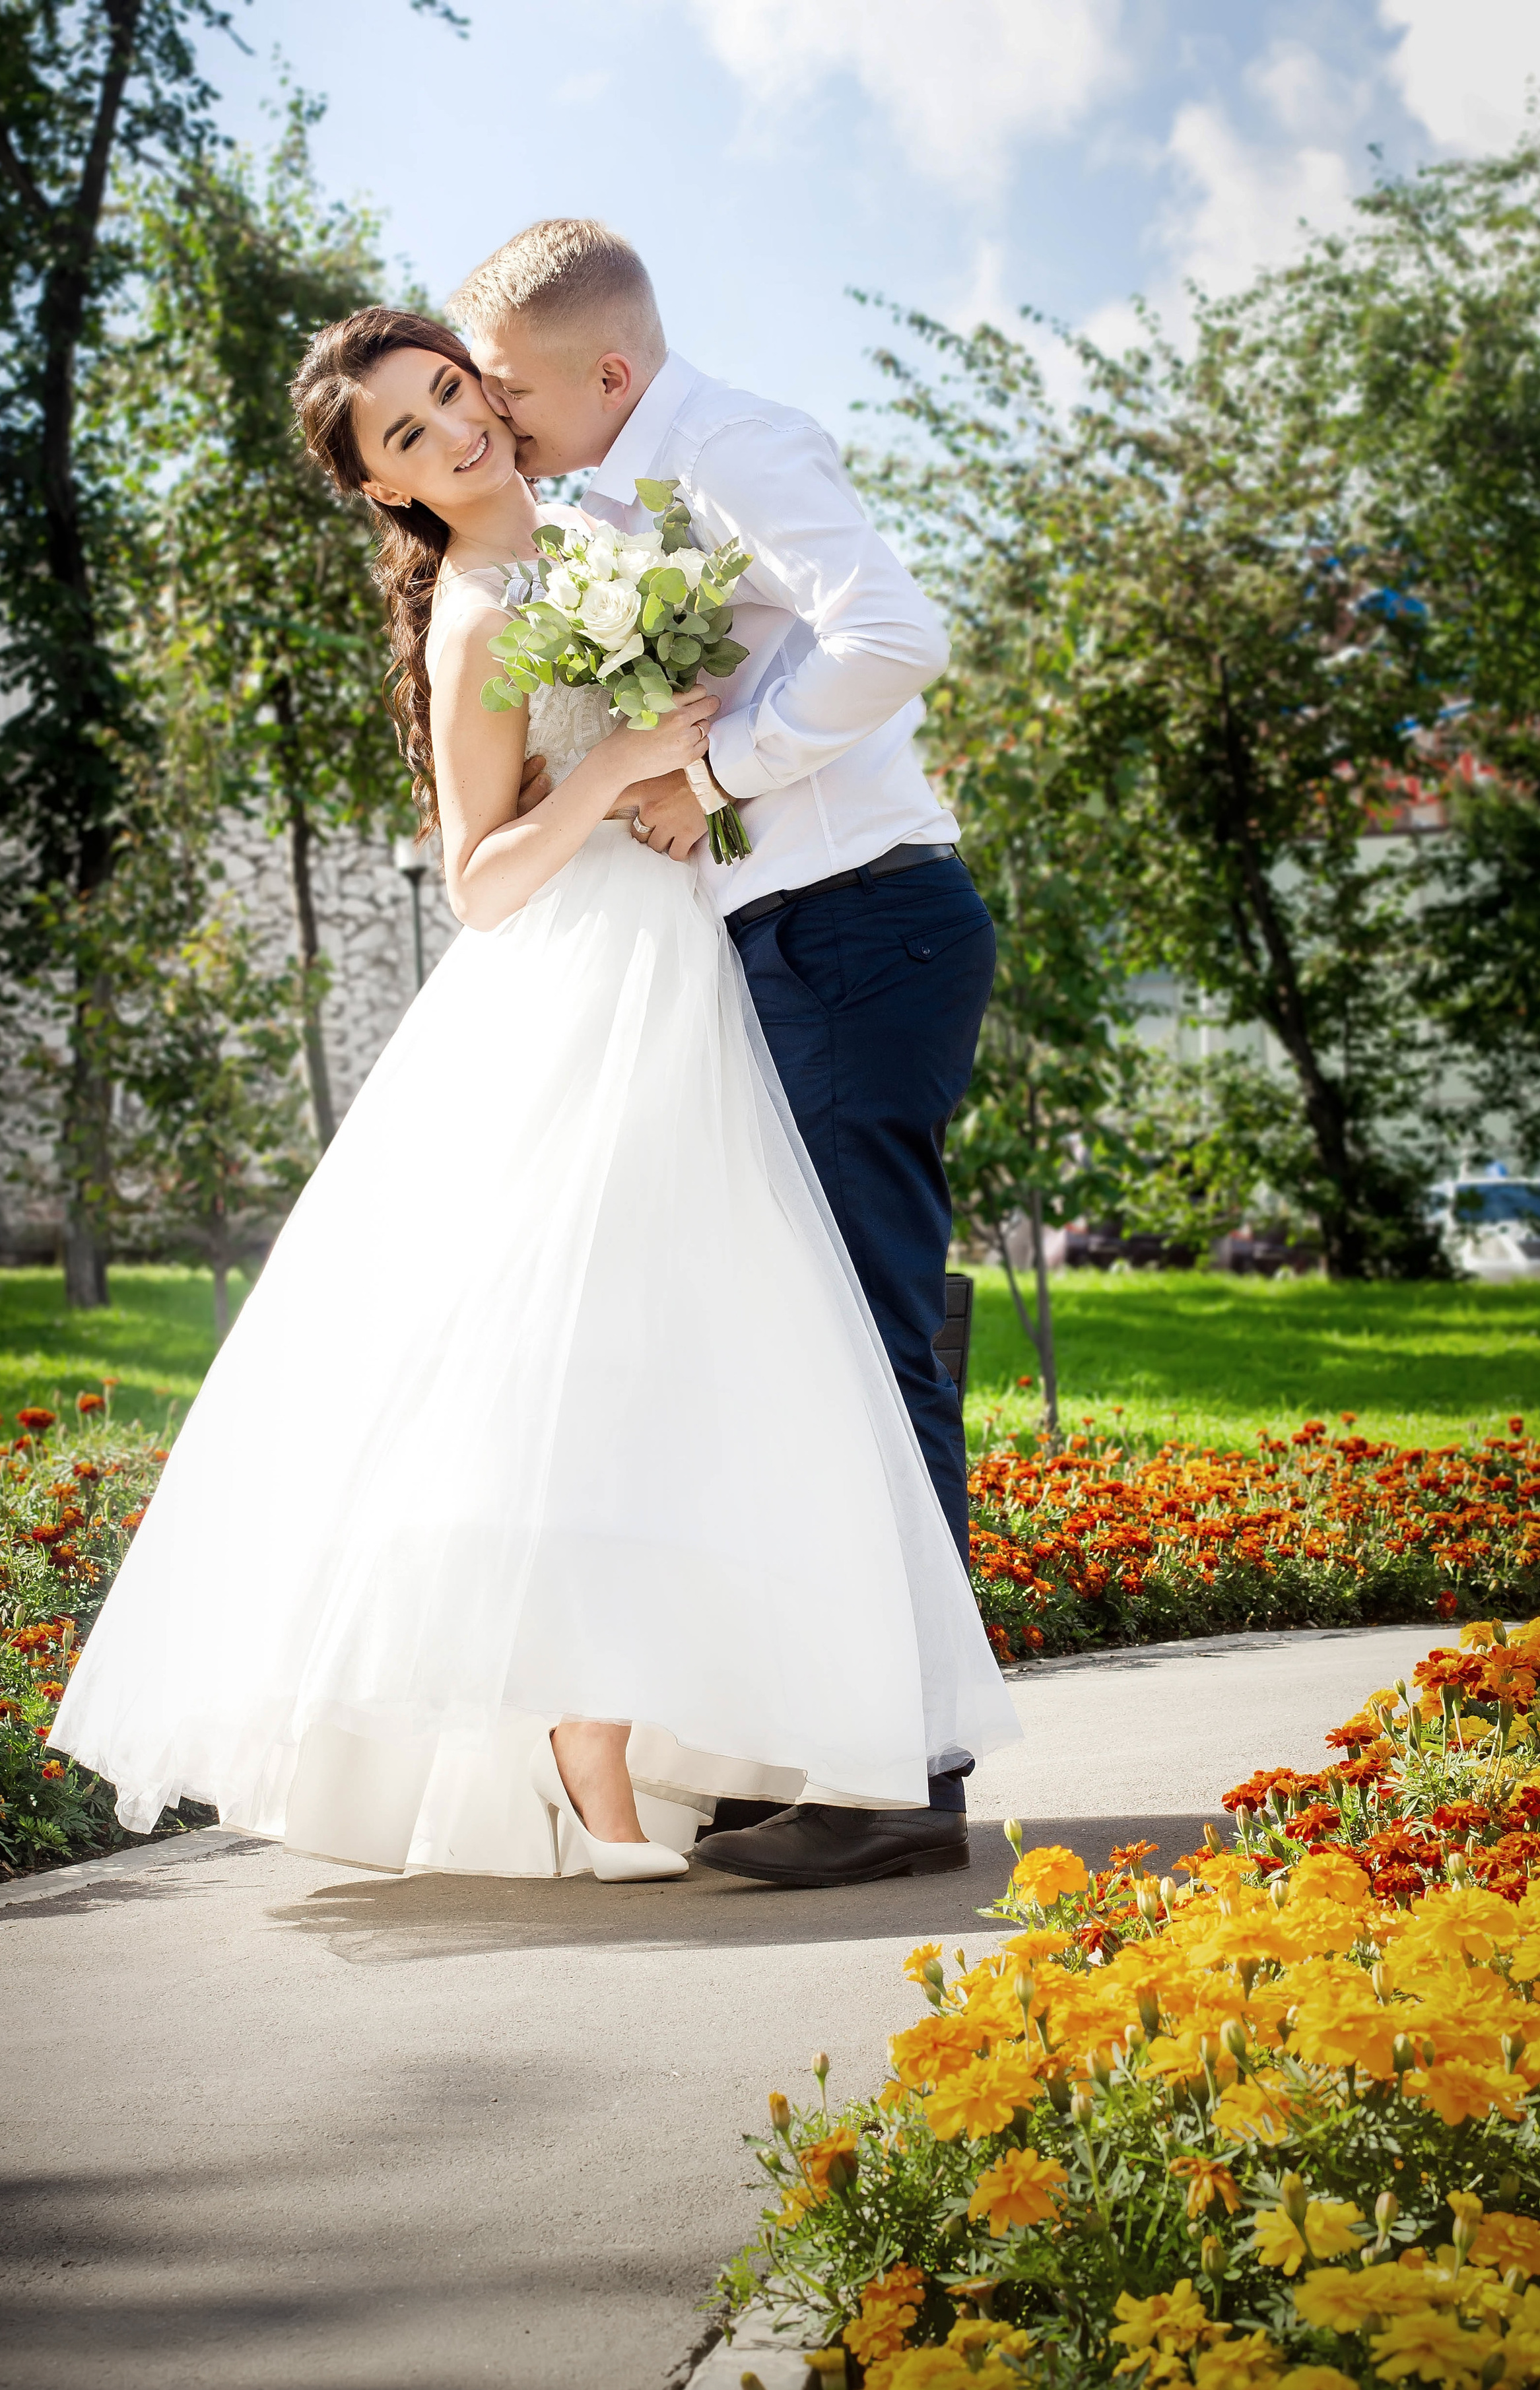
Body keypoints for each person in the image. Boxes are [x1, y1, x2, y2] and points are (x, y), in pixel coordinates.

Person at [49, 300, 1018, 1887]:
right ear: (386, 490)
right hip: (581, 979)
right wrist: (614, 767)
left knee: (708, 1354)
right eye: (409, 435)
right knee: (563, 1350)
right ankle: (587, 1755)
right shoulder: (478, 614)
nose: (456, 431)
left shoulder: (604, 530)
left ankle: (719, 1739)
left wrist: (692, 771)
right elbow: (478, 882)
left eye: (449, 391)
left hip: (697, 965)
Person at [450, 220, 1002, 1888]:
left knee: (874, 1338)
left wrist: (724, 773)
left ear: (608, 374)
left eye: (516, 395)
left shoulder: (739, 444)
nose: (501, 422)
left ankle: (904, 1773)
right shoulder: (622, 491)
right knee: (815, 1340)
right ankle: (854, 1744)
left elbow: (895, 634)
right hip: (787, 937)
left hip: (860, 925)